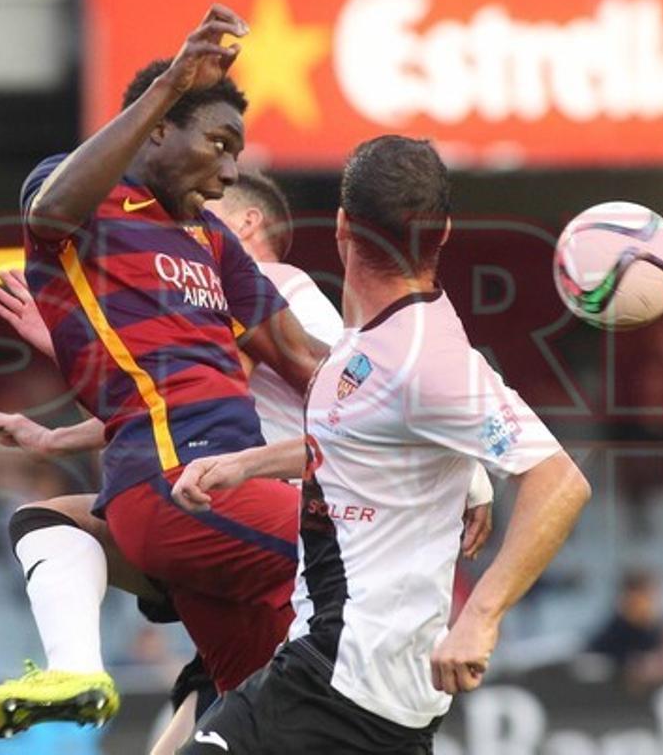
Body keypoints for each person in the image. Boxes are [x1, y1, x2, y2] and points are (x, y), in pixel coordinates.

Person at [0, 175, 496, 750]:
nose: (183, 230)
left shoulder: (261, 285)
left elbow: (368, 403)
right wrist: (55, 435)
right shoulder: (218, 303)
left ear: (245, 225)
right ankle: (76, 671)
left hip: (291, 544)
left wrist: (470, 470)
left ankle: (78, 666)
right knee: (50, 522)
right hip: (228, 528)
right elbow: (168, 396)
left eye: (206, 212)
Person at [0, 4, 331, 740]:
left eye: (236, 156)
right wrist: (168, 83)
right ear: (157, 129)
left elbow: (305, 364)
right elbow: (53, 208)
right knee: (366, 551)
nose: (227, 174)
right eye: (218, 145)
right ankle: (74, 668)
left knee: (251, 716)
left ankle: (76, 667)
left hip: (194, 505)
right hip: (185, 484)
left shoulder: (211, 238)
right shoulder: (81, 198)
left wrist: (423, 426)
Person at [170, 135, 590, 754]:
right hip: (349, 674)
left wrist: (479, 617)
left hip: (349, 677)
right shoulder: (367, 337)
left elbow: (561, 480)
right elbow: (351, 441)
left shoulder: (428, 359)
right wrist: (243, 464)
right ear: (443, 232)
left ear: (341, 226)